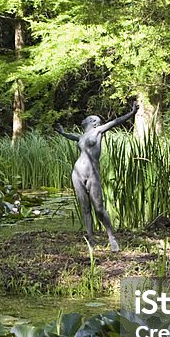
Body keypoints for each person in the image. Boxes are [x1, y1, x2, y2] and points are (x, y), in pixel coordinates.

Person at [55, 103, 138, 251]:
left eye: (86, 119)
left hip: (92, 173)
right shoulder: (81, 136)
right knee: (85, 208)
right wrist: (62, 132)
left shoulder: (98, 131)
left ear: (93, 122)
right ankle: (91, 240)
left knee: (99, 209)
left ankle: (111, 236)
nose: (83, 121)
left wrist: (132, 113)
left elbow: (116, 122)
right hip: (77, 174)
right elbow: (72, 136)